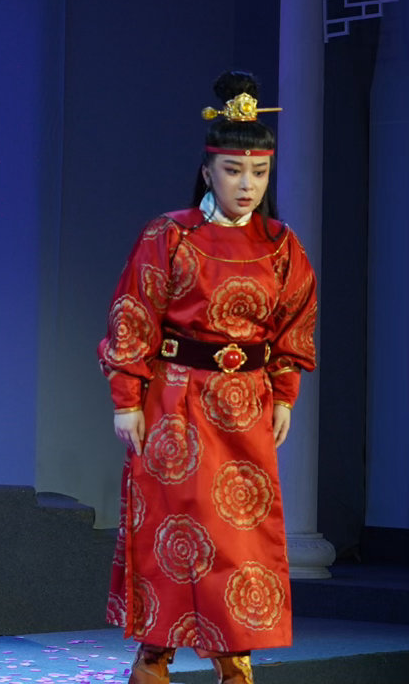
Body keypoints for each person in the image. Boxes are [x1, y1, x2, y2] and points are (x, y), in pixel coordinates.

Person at [96, 71, 317, 684]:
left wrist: (285, 393)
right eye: (233, 170)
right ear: (208, 170)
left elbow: (295, 325)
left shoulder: (281, 246)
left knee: (239, 536)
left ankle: (233, 656)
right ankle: (154, 656)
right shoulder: (171, 235)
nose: (247, 185)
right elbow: (134, 314)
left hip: (245, 406)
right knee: (171, 527)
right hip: (175, 399)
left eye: (259, 173)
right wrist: (126, 398)